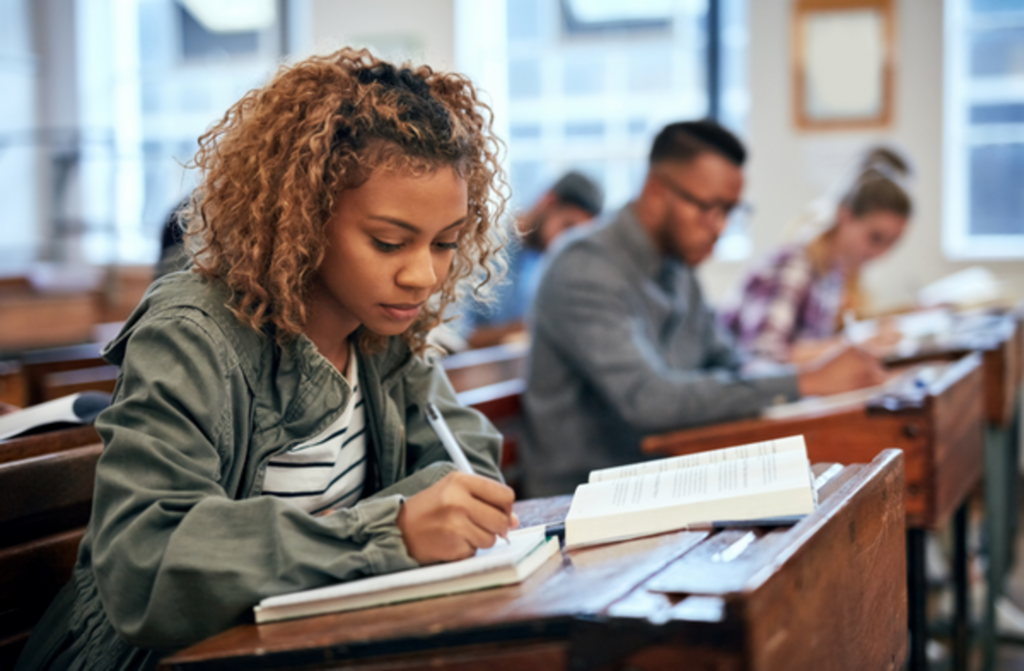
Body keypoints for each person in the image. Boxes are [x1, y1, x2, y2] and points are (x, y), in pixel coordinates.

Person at [17, 49, 517, 670]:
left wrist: (398, 524)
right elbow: (148, 565)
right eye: (389, 242)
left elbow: (471, 471)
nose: (424, 276)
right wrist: (388, 530)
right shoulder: (193, 335)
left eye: (445, 243)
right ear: (303, 216)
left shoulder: (383, 329)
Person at [520, 120, 886, 498]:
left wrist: (797, 381)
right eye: (709, 208)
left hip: (665, 476)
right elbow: (651, 401)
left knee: (828, 488)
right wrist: (807, 380)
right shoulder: (583, 267)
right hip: (582, 499)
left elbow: (727, 360)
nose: (719, 227)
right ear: (657, 191)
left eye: (730, 211)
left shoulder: (677, 267)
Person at [719, 147, 913, 363]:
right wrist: (856, 346)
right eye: (875, 238)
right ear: (845, 216)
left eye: (892, 243)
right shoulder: (793, 265)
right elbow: (763, 357)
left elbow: (816, 343)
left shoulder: (834, 273)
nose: (881, 253)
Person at [458, 171, 603, 349]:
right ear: (548, 201)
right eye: (567, 227)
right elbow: (454, 338)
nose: (565, 243)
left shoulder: (545, 262)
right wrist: (532, 327)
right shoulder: (480, 245)